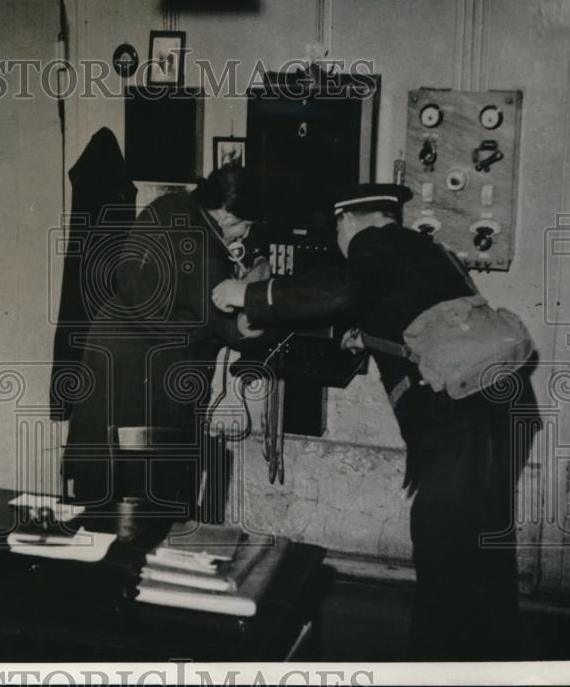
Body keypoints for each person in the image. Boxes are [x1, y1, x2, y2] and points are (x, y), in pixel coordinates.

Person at [212, 183, 537, 661]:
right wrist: (369, 337)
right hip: (503, 406)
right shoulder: (425, 250)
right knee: (483, 542)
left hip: (462, 416)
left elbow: (345, 287)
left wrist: (249, 292)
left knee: (442, 547)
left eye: (338, 231)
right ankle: (495, 655)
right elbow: (420, 311)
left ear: (348, 220)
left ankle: (432, 666)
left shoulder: (373, 242)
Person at [61, 166, 270, 508]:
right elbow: (239, 333)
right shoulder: (205, 251)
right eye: (246, 227)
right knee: (151, 488)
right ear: (226, 214)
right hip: (150, 369)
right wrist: (259, 283)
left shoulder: (170, 205)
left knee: (108, 479)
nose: (244, 237)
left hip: (110, 344)